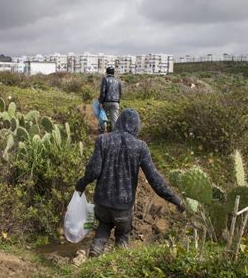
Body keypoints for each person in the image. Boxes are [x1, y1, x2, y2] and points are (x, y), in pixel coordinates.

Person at [75, 108, 185, 257]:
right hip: (123, 206)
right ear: (136, 126)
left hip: (102, 201)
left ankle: (95, 251)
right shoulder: (140, 147)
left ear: (119, 122)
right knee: (122, 234)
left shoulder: (103, 140)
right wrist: (175, 199)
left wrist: (80, 185)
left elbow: (93, 172)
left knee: (104, 225)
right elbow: (154, 178)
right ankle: (120, 262)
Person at [98, 66, 122, 132]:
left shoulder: (105, 79)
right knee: (114, 119)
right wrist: (118, 101)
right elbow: (120, 92)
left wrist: (101, 102)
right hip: (115, 102)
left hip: (106, 101)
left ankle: (103, 131)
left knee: (103, 116)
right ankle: (115, 133)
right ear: (113, 72)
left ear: (106, 72)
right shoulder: (118, 80)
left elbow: (103, 91)